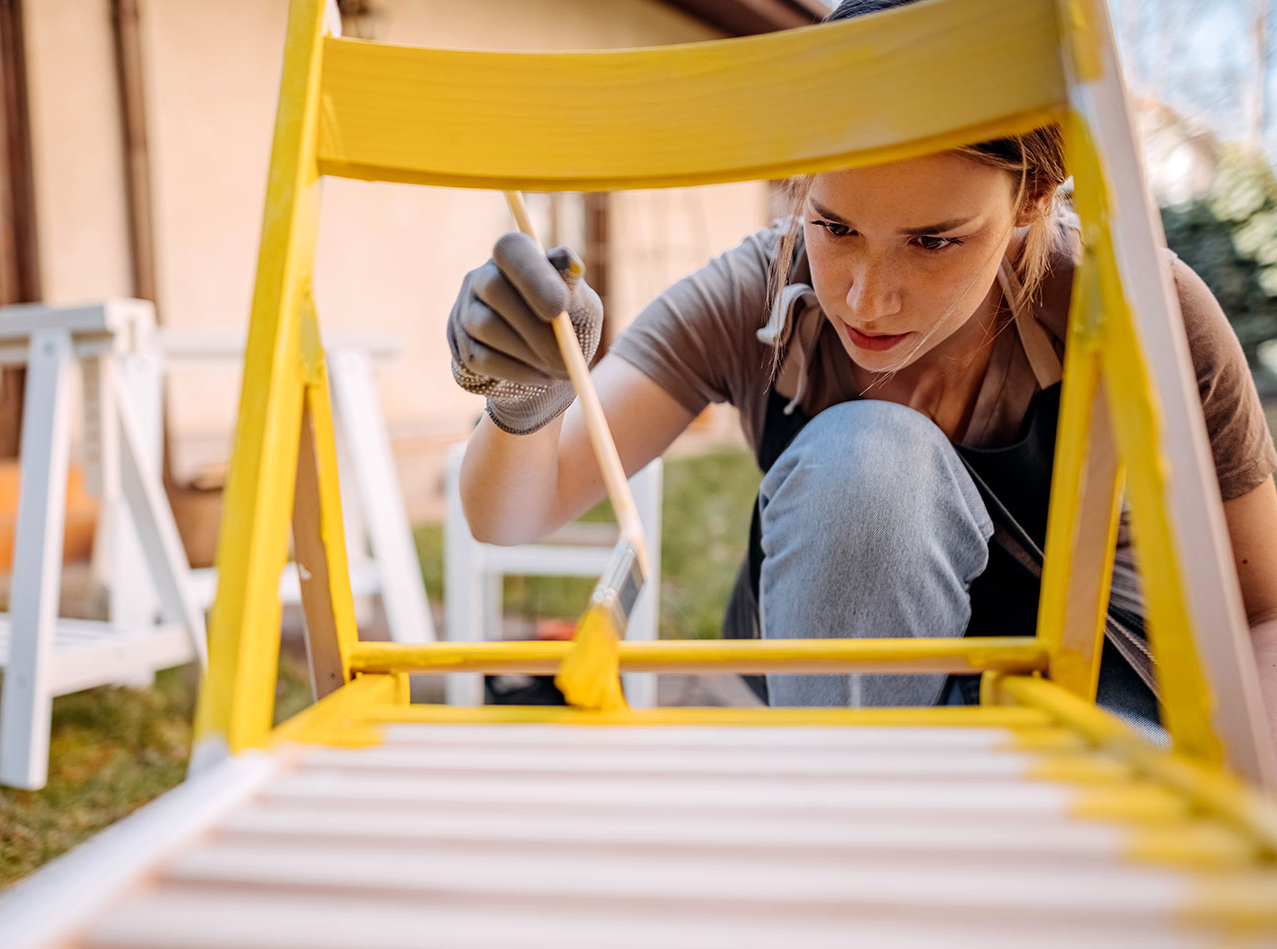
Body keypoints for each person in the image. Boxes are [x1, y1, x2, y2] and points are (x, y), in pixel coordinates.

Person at [445, 0, 1277, 734]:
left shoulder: (1143, 309)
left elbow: (1264, 609)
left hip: (1088, 719)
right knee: (868, 464)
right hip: (833, 728)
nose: (866, 300)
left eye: (934, 242)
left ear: (1032, 199)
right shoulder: (756, 294)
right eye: (835, 226)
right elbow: (515, 513)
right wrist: (525, 393)